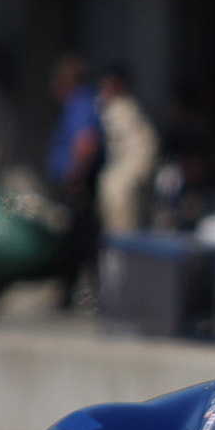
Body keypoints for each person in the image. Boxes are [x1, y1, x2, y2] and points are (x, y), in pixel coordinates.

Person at [46, 54, 104, 309]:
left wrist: (74, 177)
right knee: (76, 240)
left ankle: (79, 293)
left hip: (81, 185)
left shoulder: (80, 103)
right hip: (78, 183)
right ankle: (70, 291)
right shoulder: (82, 103)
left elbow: (86, 143)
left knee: (82, 241)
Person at [96, 64, 159, 237]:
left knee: (123, 232)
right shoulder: (111, 109)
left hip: (125, 184)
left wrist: (132, 176)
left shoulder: (124, 110)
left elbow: (146, 148)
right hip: (119, 180)